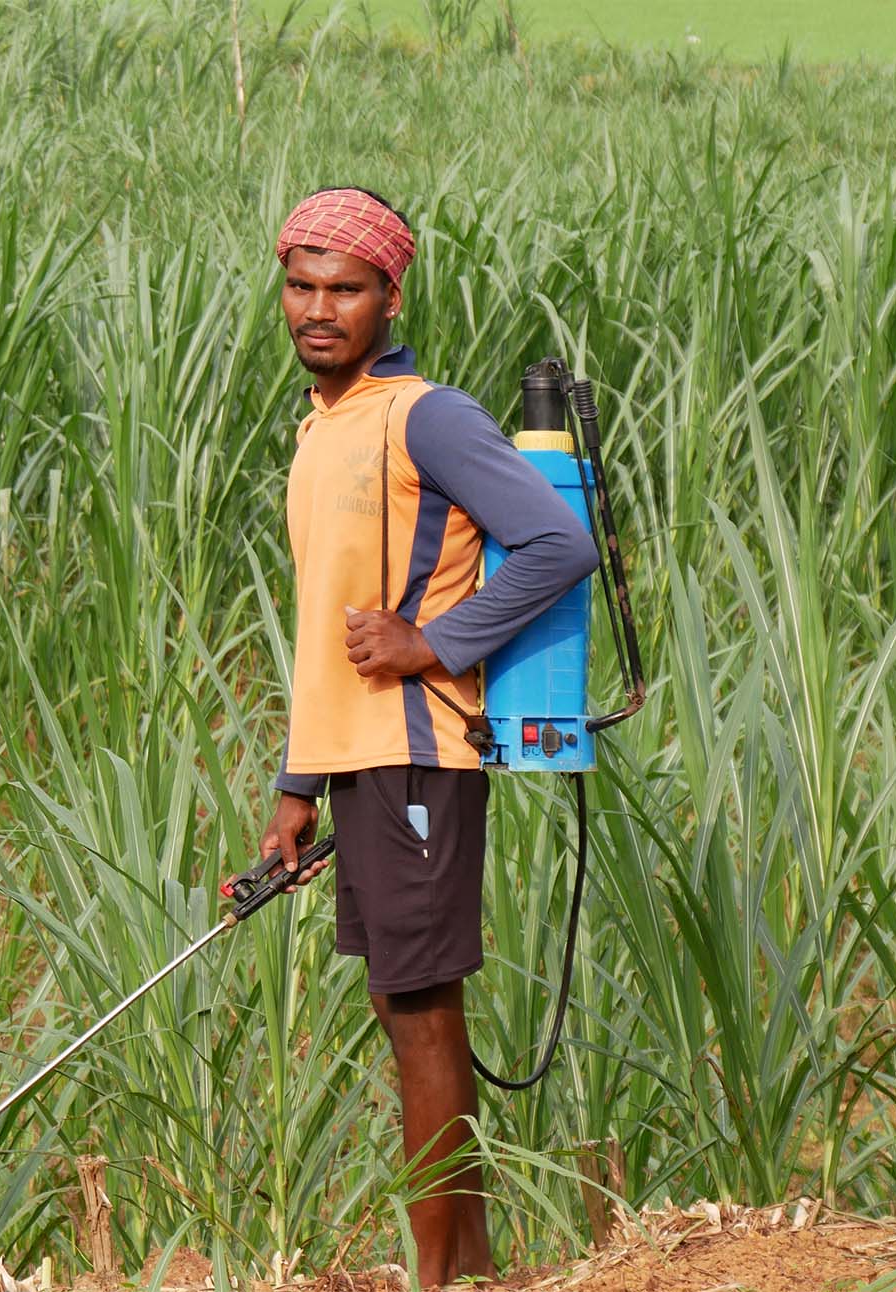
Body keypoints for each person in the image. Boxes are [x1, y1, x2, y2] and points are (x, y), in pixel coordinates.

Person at [253, 187, 598, 1286]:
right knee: (403, 1011)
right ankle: (472, 1273)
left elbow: (558, 543)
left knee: (420, 1015)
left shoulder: (426, 415)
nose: (320, 308)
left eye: (344, 288)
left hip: (419, 753)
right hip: (357, 762)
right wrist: (296, 783)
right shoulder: (322, 426)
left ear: (388, 295)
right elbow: (324, 626)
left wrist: (433, 643)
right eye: (302, 286)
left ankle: (446, 1279)